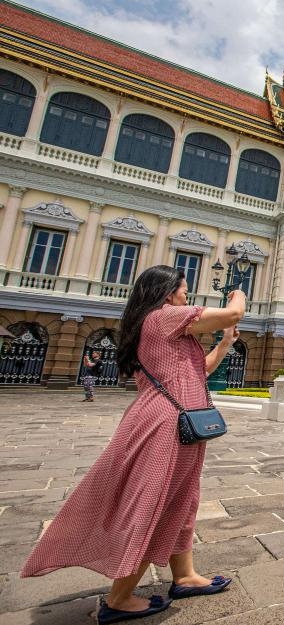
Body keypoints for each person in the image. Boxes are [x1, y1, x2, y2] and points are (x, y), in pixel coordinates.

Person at [21, 265, 245, 624]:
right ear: (168, 293)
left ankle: (184, 576)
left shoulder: (159, 326)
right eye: (185, 290)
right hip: (167, 425)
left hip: (178, 423)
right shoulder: (163, 317)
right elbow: (234, 311)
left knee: (183, 500)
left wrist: (224, 343)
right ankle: (120, 597)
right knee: (153, 502)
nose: (188, 296)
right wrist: (238, 289)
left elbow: (198, 370)